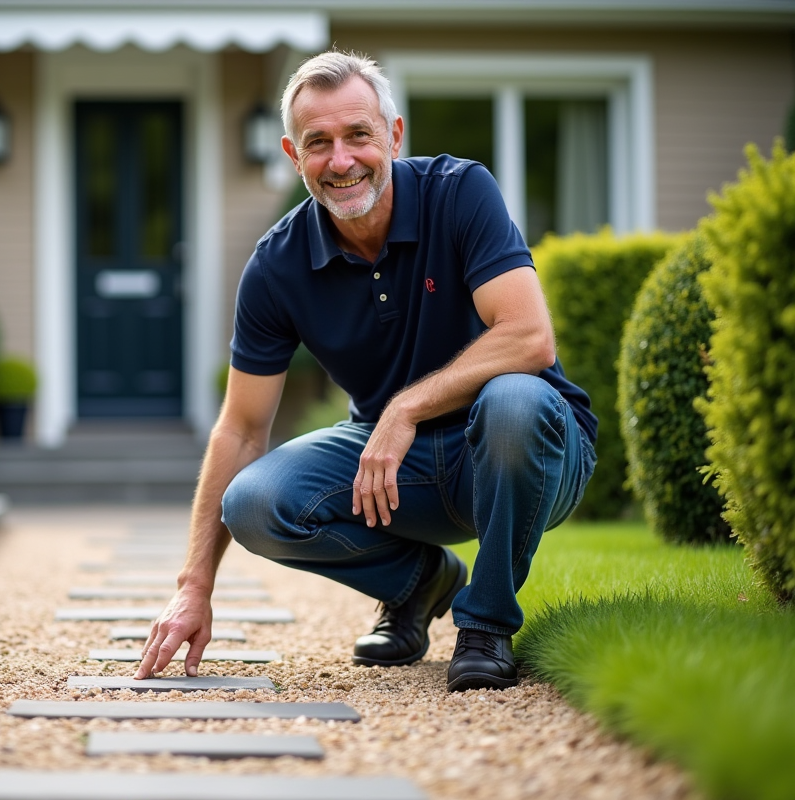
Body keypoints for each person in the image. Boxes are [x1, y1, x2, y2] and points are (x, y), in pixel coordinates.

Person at [135, 50, 596, 692]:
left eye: (359, 135)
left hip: (529, 452)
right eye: (318, 143)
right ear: (294, 157)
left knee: (514, 401)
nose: (342, 161)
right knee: (254, 502)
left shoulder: (460, 192)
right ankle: (417, 584)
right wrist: (194, 586)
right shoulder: (277, 266)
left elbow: (528, 337)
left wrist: (404, 408)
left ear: (395, 135)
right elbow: (240, 430)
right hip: (399, 475)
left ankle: (487, 625)